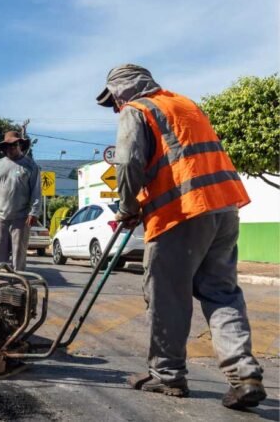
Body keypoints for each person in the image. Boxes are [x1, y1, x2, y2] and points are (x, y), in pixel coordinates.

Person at [96, 64, 264, 409]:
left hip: (181, 214)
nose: (114, 108)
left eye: (112, 100)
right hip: (223, 208)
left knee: (167, 296)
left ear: (121, 91)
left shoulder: (136, 110)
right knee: (221, 294)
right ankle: (244, 374)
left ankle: (167, 375)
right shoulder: (184, 104)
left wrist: (127, 207)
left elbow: (128, 163)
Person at [0, 131, 41, 271]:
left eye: (14, 145)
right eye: (7, 146)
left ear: (20, 145)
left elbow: (36, 191)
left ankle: (17, 281)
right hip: (0, 216)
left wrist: (34, 212)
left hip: (21, 217)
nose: (11, 148)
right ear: (4, 149)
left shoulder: (30, 165)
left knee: (18, 253)